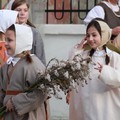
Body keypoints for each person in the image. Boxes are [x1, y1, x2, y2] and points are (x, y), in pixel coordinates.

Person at [67, 19, 120, 120]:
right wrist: (77, 50)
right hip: (86, 107)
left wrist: (105, 72)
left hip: (107, 107)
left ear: (103, 35)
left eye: (94, 35)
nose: (90, 39)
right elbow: (71, 72)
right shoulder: (83, 56)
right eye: (88, 35)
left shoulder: (114, 57)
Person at [0, 24, 47, 120]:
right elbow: (2, 90)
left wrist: (16, 102)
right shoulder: (6, 66)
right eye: (5, 39)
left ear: (21, 41)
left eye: (10, 40)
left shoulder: (34, 65)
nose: (5, 43)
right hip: (9, 114)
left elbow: (42, 92)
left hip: (29, 115)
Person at [11, 0, 46, 65]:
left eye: (25, 10)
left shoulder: (34, 32)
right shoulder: (8, 31)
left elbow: (40, 58)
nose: (22, 13)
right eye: (18, 10)